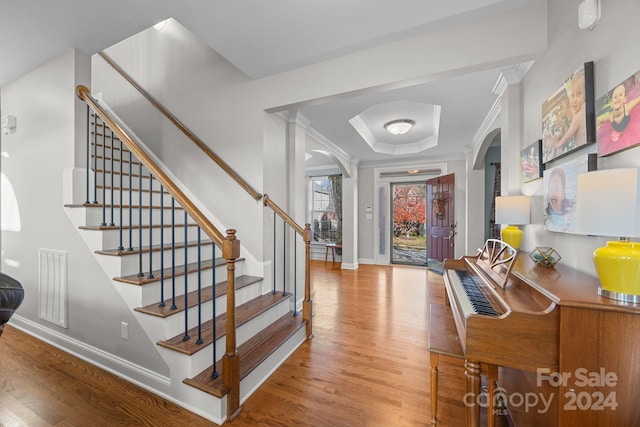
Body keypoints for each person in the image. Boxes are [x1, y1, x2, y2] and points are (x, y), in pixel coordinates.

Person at [597, 80, 640, 156]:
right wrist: (598, 121)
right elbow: (602, 120)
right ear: (611, 104)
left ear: (624, 99)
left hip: (629, 130)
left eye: (620, 95)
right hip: (617, 133)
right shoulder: (611, 116)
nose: (617, 98)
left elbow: (638, 99)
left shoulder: (627, 107)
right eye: (615, 96)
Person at [553, 69, 586, 151]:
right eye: (573, 95)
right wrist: (567, 112)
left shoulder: (578, 116)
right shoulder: (581, 111)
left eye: (578, 94)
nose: (574, 100)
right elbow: (574, 119)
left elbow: (566, 138)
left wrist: (557, 144)